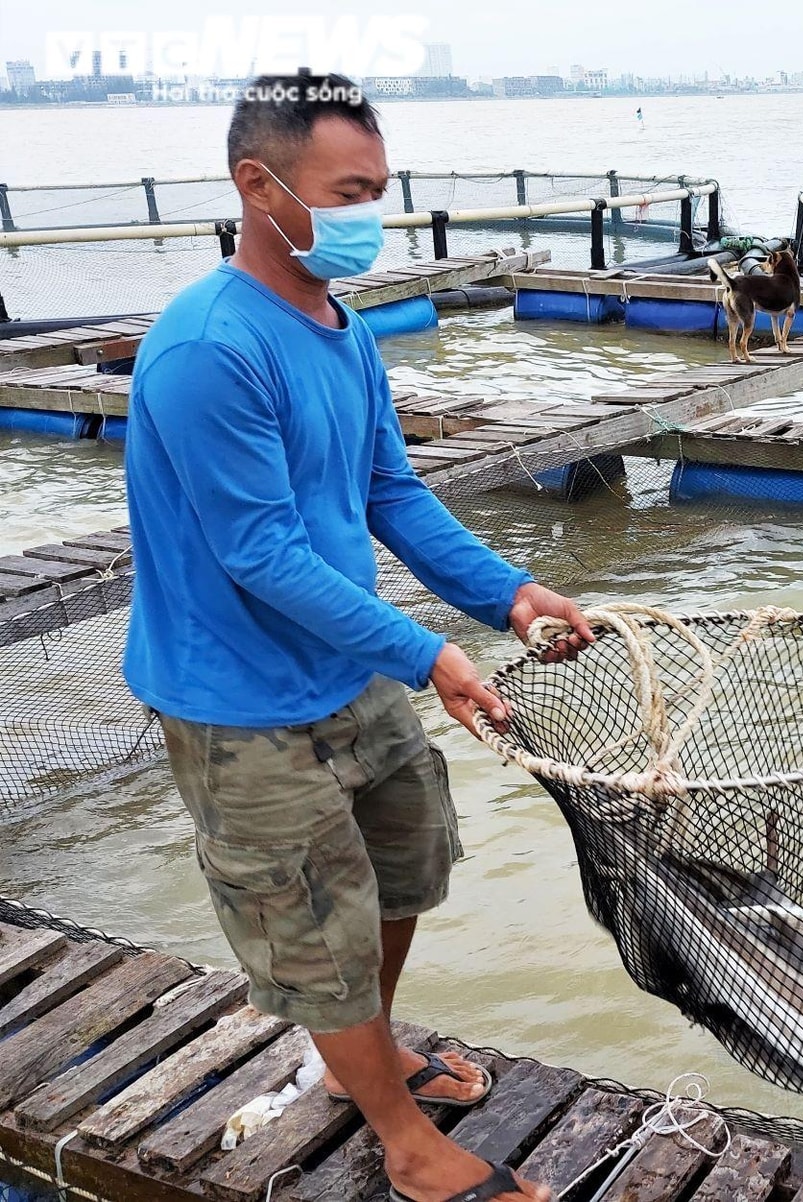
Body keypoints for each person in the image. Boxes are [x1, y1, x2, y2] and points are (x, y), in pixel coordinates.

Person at [122, 74, 587, 1202]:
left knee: (407, 854)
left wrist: (510, 596)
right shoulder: (207, 350)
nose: (372, 213)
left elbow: (392, 493)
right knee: (307, 918)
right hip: (236, 697)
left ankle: (354, 1061)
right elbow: (261, 553)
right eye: (352, 191)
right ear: (259, 185)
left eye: (381, 189)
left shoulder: (344, 329)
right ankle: (403, 1138)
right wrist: (432, 654)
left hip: (348, 660)